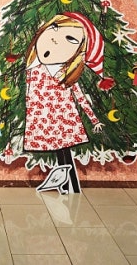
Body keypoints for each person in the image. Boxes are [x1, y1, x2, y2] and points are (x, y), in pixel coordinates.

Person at [24, 12, 104, 193]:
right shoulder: (34, 70)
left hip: (64, 124)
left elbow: (80, 97)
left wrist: (94, 120)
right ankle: (66, 185)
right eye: (54, 27)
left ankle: (70, 186)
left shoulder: (65, 75)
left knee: (65, 154)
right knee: (62, 156)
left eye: (70, 39)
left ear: (79, 53)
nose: (56, 39)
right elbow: (30, 97)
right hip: (44, 123)